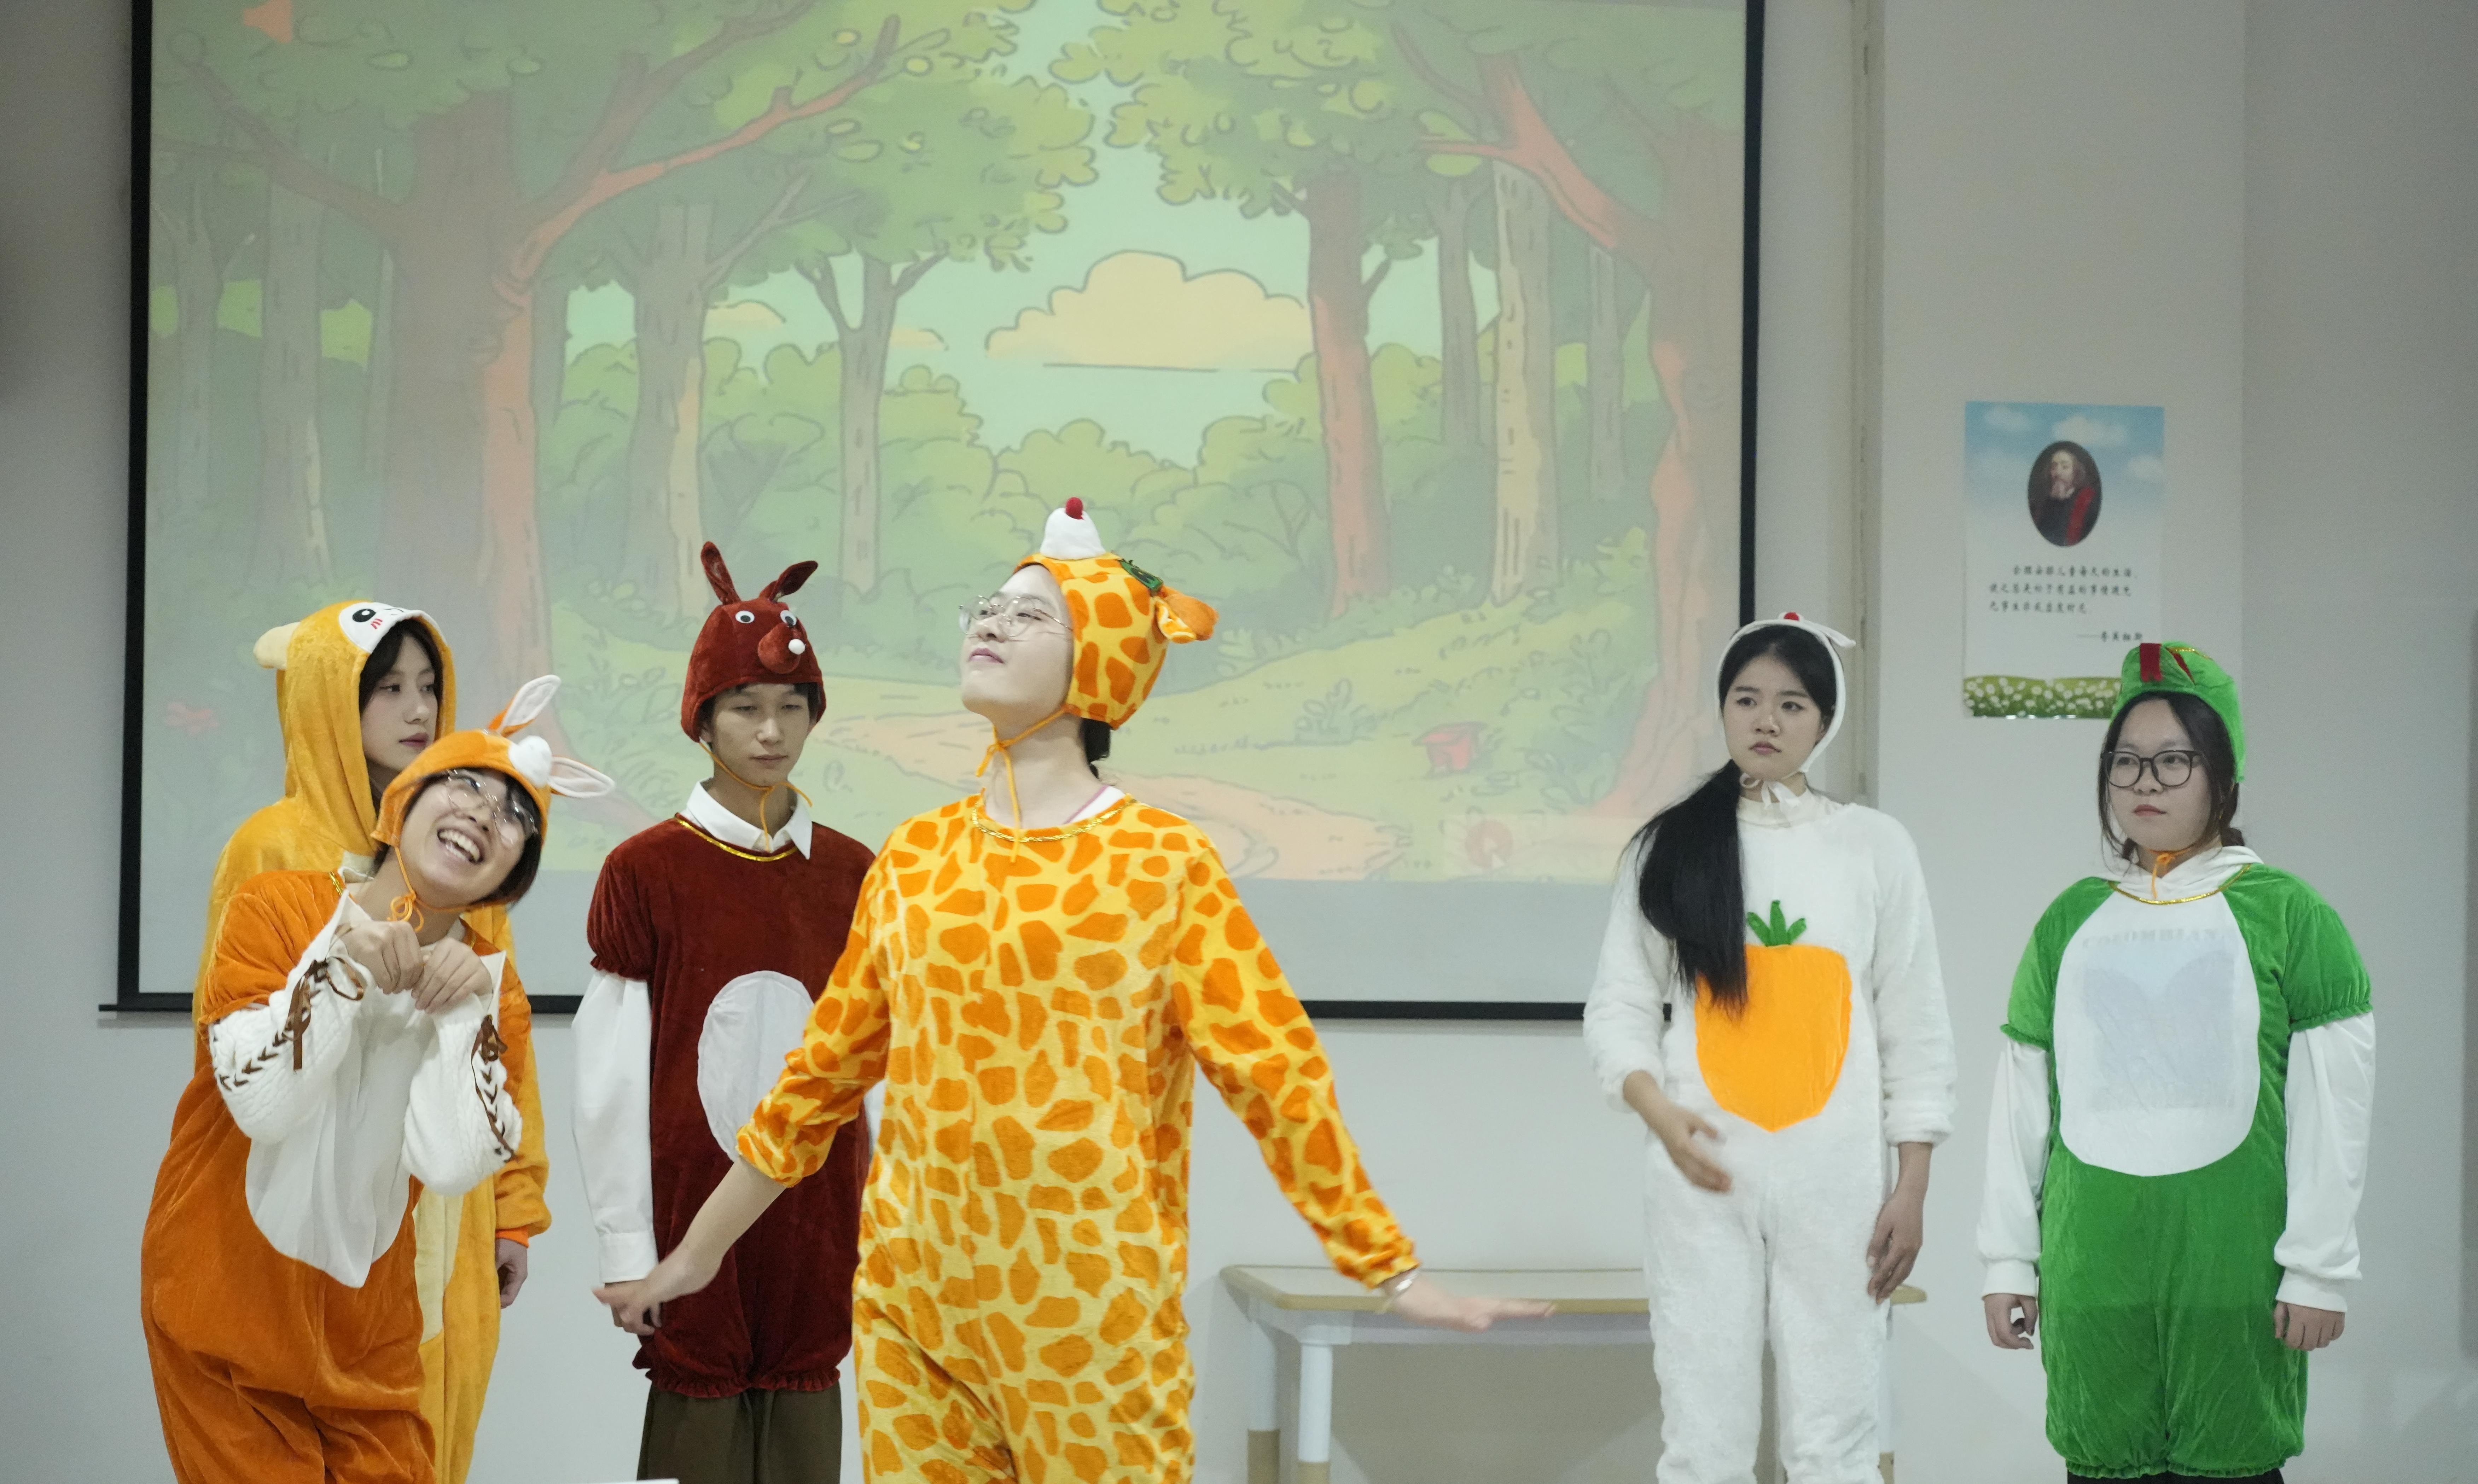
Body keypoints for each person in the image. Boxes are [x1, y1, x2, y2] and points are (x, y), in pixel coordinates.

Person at [598, 500, 1547, 1482]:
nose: (991, 622)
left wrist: (1388, 1267)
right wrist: (693, 1258)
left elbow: (1276, 1071)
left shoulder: (1163, 863)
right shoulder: (916, 856)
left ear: (1103, 660)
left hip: (1093, 1324)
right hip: (913, 1319)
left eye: (1030, 614)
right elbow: (815, 1084)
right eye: (989, 606)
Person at [141, 677, 613, 1484]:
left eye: (515, 817)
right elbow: (262, 1103)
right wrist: (341, 971)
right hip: (222, 1310)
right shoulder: (275, 906)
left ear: (512, 876)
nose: (484, 814)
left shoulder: (489, 985)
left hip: (370, 1338)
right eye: (464, 784)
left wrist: (461, 1016)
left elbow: (455, 1161)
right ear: (401, 803)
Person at [1977, 642, 2377, 1483]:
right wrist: (2008, 1259)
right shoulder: (2070, 921)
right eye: (2125, 761)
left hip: (2235, 1274)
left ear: (2223, 775)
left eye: (2173, 759)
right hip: (2095, 1277)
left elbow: (2333, 1104)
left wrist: (2317, 1269)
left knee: (2234, 1462)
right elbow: (2021, 1102)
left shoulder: (2289, 915)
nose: (2145, 782)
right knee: (2102, 1462)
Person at [1583, 613, 1956, 1484]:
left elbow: (1915, 1023)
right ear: (1722, 708)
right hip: (1700, 1174)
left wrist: (1912, 1183)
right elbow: (1619, 1007)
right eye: (1747, 698)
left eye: (1792, 704)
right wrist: (1661, 1114)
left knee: (1836, 1442)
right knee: (1703, 1442)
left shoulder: (1874, 847)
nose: (1766, 719)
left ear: (1825, 719)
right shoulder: (1670, 846)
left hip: (1842, 1184)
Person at [572, 544, 876, 1484]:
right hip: (688, 1201)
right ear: (702, 717)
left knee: (804, 1412)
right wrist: (629, 1244)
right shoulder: (646, 869)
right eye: (745, 706)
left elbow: (872, 1066)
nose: (771, 730)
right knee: (698, 1433)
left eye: (792, 705)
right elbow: (611, 1076)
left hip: (819, 1210)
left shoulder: (854, 872)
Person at [2030, 443, 2101, 547]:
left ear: (2076, 472)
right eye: (2054, 467)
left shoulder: (2089, 500)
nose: (2058, 473)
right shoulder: (2045, 503)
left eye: (2065, 467)